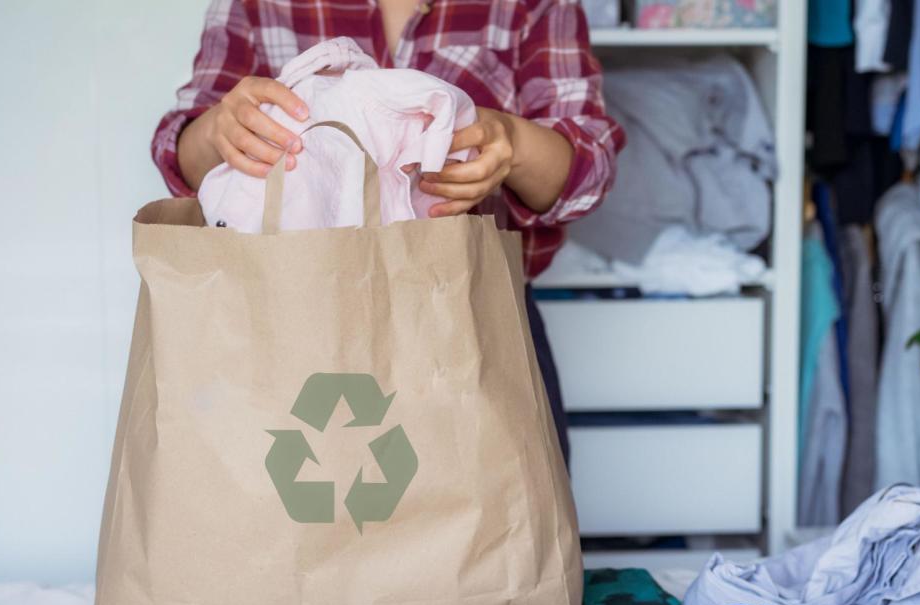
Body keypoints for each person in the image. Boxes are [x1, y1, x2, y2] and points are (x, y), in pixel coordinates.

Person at [152, 0, 625, 461]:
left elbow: (588, 172)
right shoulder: (258, 5)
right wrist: (222, 128)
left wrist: (514, 142)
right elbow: (183, 161)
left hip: (476, 319)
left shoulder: (532, 6)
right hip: (282, 318)